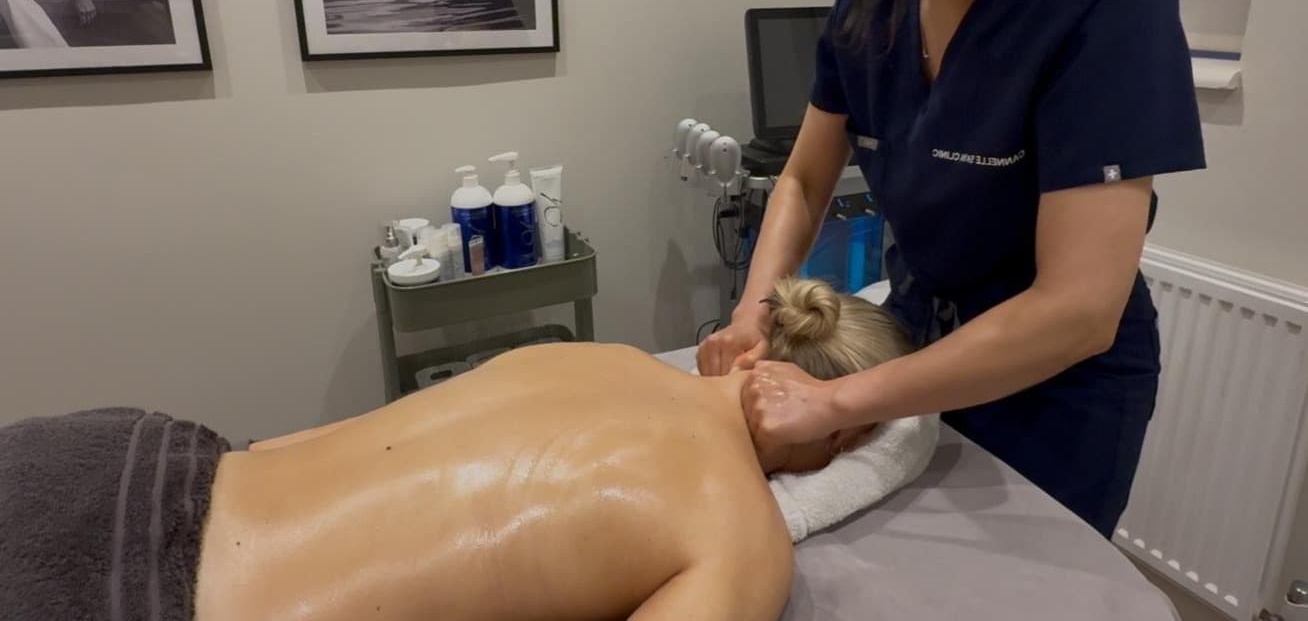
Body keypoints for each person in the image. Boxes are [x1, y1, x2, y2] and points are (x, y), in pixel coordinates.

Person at [699, 0, 1206, 539]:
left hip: (1052, 388)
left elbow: (1077, 311)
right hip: (913, 332)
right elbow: (802, 177)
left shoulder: (1107, 0)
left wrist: (835, 400)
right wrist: (754, 309)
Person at [1, 279, 913, 621]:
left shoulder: (603, 354)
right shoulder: (740, 536)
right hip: (138, 602)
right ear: (840, 433)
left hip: (123, 462)